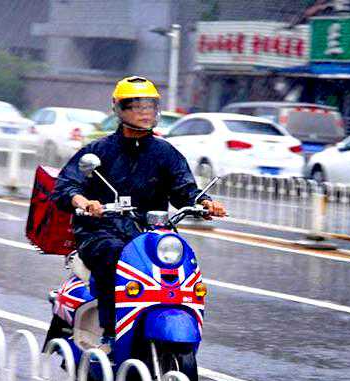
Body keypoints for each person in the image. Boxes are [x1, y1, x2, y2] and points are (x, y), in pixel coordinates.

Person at [52, 76, 226, 352]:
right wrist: (84, 202)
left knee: (180, 263)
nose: (145, 113)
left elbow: (184, 188)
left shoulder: (165, 152)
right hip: (100, 231)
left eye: (150, 106)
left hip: (148, 234)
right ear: (120, 109)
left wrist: (204, 203)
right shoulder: (98, 151)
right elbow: (66, 185)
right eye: (137, 106)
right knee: (113, 256)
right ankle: (110, 333)